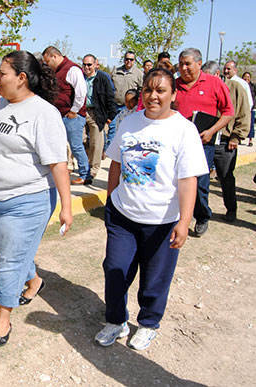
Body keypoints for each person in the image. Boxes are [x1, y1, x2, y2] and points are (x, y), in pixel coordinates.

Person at [0, 50, 73, 348]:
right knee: (8, 252)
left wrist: (67, 207)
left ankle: (3, 317)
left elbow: (57, 164)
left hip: (27, 200)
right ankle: (33, 280)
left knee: (7, 260)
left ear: (21, 78)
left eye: (1, 73)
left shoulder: (43, 113)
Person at [95, 68, 208, 351]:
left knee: (155, 278)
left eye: (160, 91)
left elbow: (187, 180)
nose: (153, 96)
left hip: (162, 220)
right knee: (115, 268)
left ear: (173, 94)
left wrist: (184, 221)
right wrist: (111, 200)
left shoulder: (184, 130)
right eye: (148, 90)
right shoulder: (130, 122)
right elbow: (117, 163)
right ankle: (116, 321)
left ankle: (148, 324)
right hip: (123, 215)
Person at [175, 48, 234, 236]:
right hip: (177, 142)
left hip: (203, 142)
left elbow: (228, 112)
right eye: (181, 64)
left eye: (187, 64)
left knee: (200, 182)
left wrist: (211, 131)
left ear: (199, 64)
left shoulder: (214, 83)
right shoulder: (173, 84)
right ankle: (175, 217)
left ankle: (202, 217)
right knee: (174, 180)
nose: (183, 68)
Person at [202, 61, 251, 222]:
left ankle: (231, 209)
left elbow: (244, 114)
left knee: (226, 177)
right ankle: (202, 214)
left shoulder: (236, 88)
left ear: (216, 75)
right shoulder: (203, 89)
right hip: (205, 141)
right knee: (201, 179)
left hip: (225, 142)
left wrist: (236, 137)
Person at [42, 46, 90, 185]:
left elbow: (81, 92)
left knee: (76, 146)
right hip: (60, 115)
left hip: (72, 116)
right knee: (59, 145)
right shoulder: (57, 71)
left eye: (48, 61)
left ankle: (85, 174)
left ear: (55, 56)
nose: (47, 65)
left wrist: (74, 111)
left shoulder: (72, 69)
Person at [81, 54, 116, 176]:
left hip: (97, 113)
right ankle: (86, 163)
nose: (86, 67)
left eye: (89, 64)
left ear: (95, 65)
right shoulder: (80, 77)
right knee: (81, 140)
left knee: (97, 143)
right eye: (84, 64)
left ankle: (94, 169)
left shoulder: (103, 78)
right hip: (81, 112)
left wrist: (111, 116)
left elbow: (110, 97)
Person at [107, 51, 144, 153]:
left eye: (131, 59)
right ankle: (110, 151)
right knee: (113, 128)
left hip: (129, 107)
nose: (128, 61)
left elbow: (142, 90)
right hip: (115, 105)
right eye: (127, 59)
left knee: (127, 129)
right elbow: (110, 87)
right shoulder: (116, 71)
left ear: (134, 61)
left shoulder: (138, 73)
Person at [242, 71, 256, 146]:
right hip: (241, 108)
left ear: (250, 78)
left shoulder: (253, 86)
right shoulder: (240, 85)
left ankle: (250, 140)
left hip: (251, 108)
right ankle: (239, 138)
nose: (246, 78)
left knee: (250, 124)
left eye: (248, 77)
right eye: (245, 76)